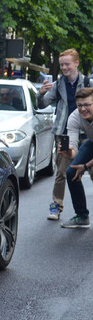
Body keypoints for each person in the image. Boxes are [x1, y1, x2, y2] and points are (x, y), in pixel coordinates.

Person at [38, 48, 89, 221]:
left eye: (67, 64)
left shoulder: (88, 82)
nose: (64, 68)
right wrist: (41, 93)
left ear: (76, 63)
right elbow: (43, 103)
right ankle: (56, 206)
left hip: (87, 133)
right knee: (62, 172)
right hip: (65, 132)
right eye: (62, 65)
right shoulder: (59, 83)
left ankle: (82, 213)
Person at [60, 87, 93, 229]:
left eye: (87, 105)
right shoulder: (74, 117)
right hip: (91, 143)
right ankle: (82, 216)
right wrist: (69, 153)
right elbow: (73, 146)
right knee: (71, 172)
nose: (83, 109)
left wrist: (86, 166)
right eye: (80, 105)